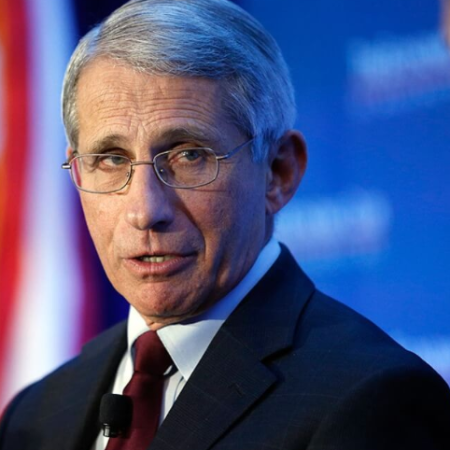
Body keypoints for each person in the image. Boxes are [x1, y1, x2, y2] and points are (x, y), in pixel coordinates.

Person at [1, 0, 450, 448]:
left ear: (278, 172)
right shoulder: (35, 416)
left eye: (188, 155)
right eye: (111, 160)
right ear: (78, 173)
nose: (144, 211)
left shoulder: (372, 399)